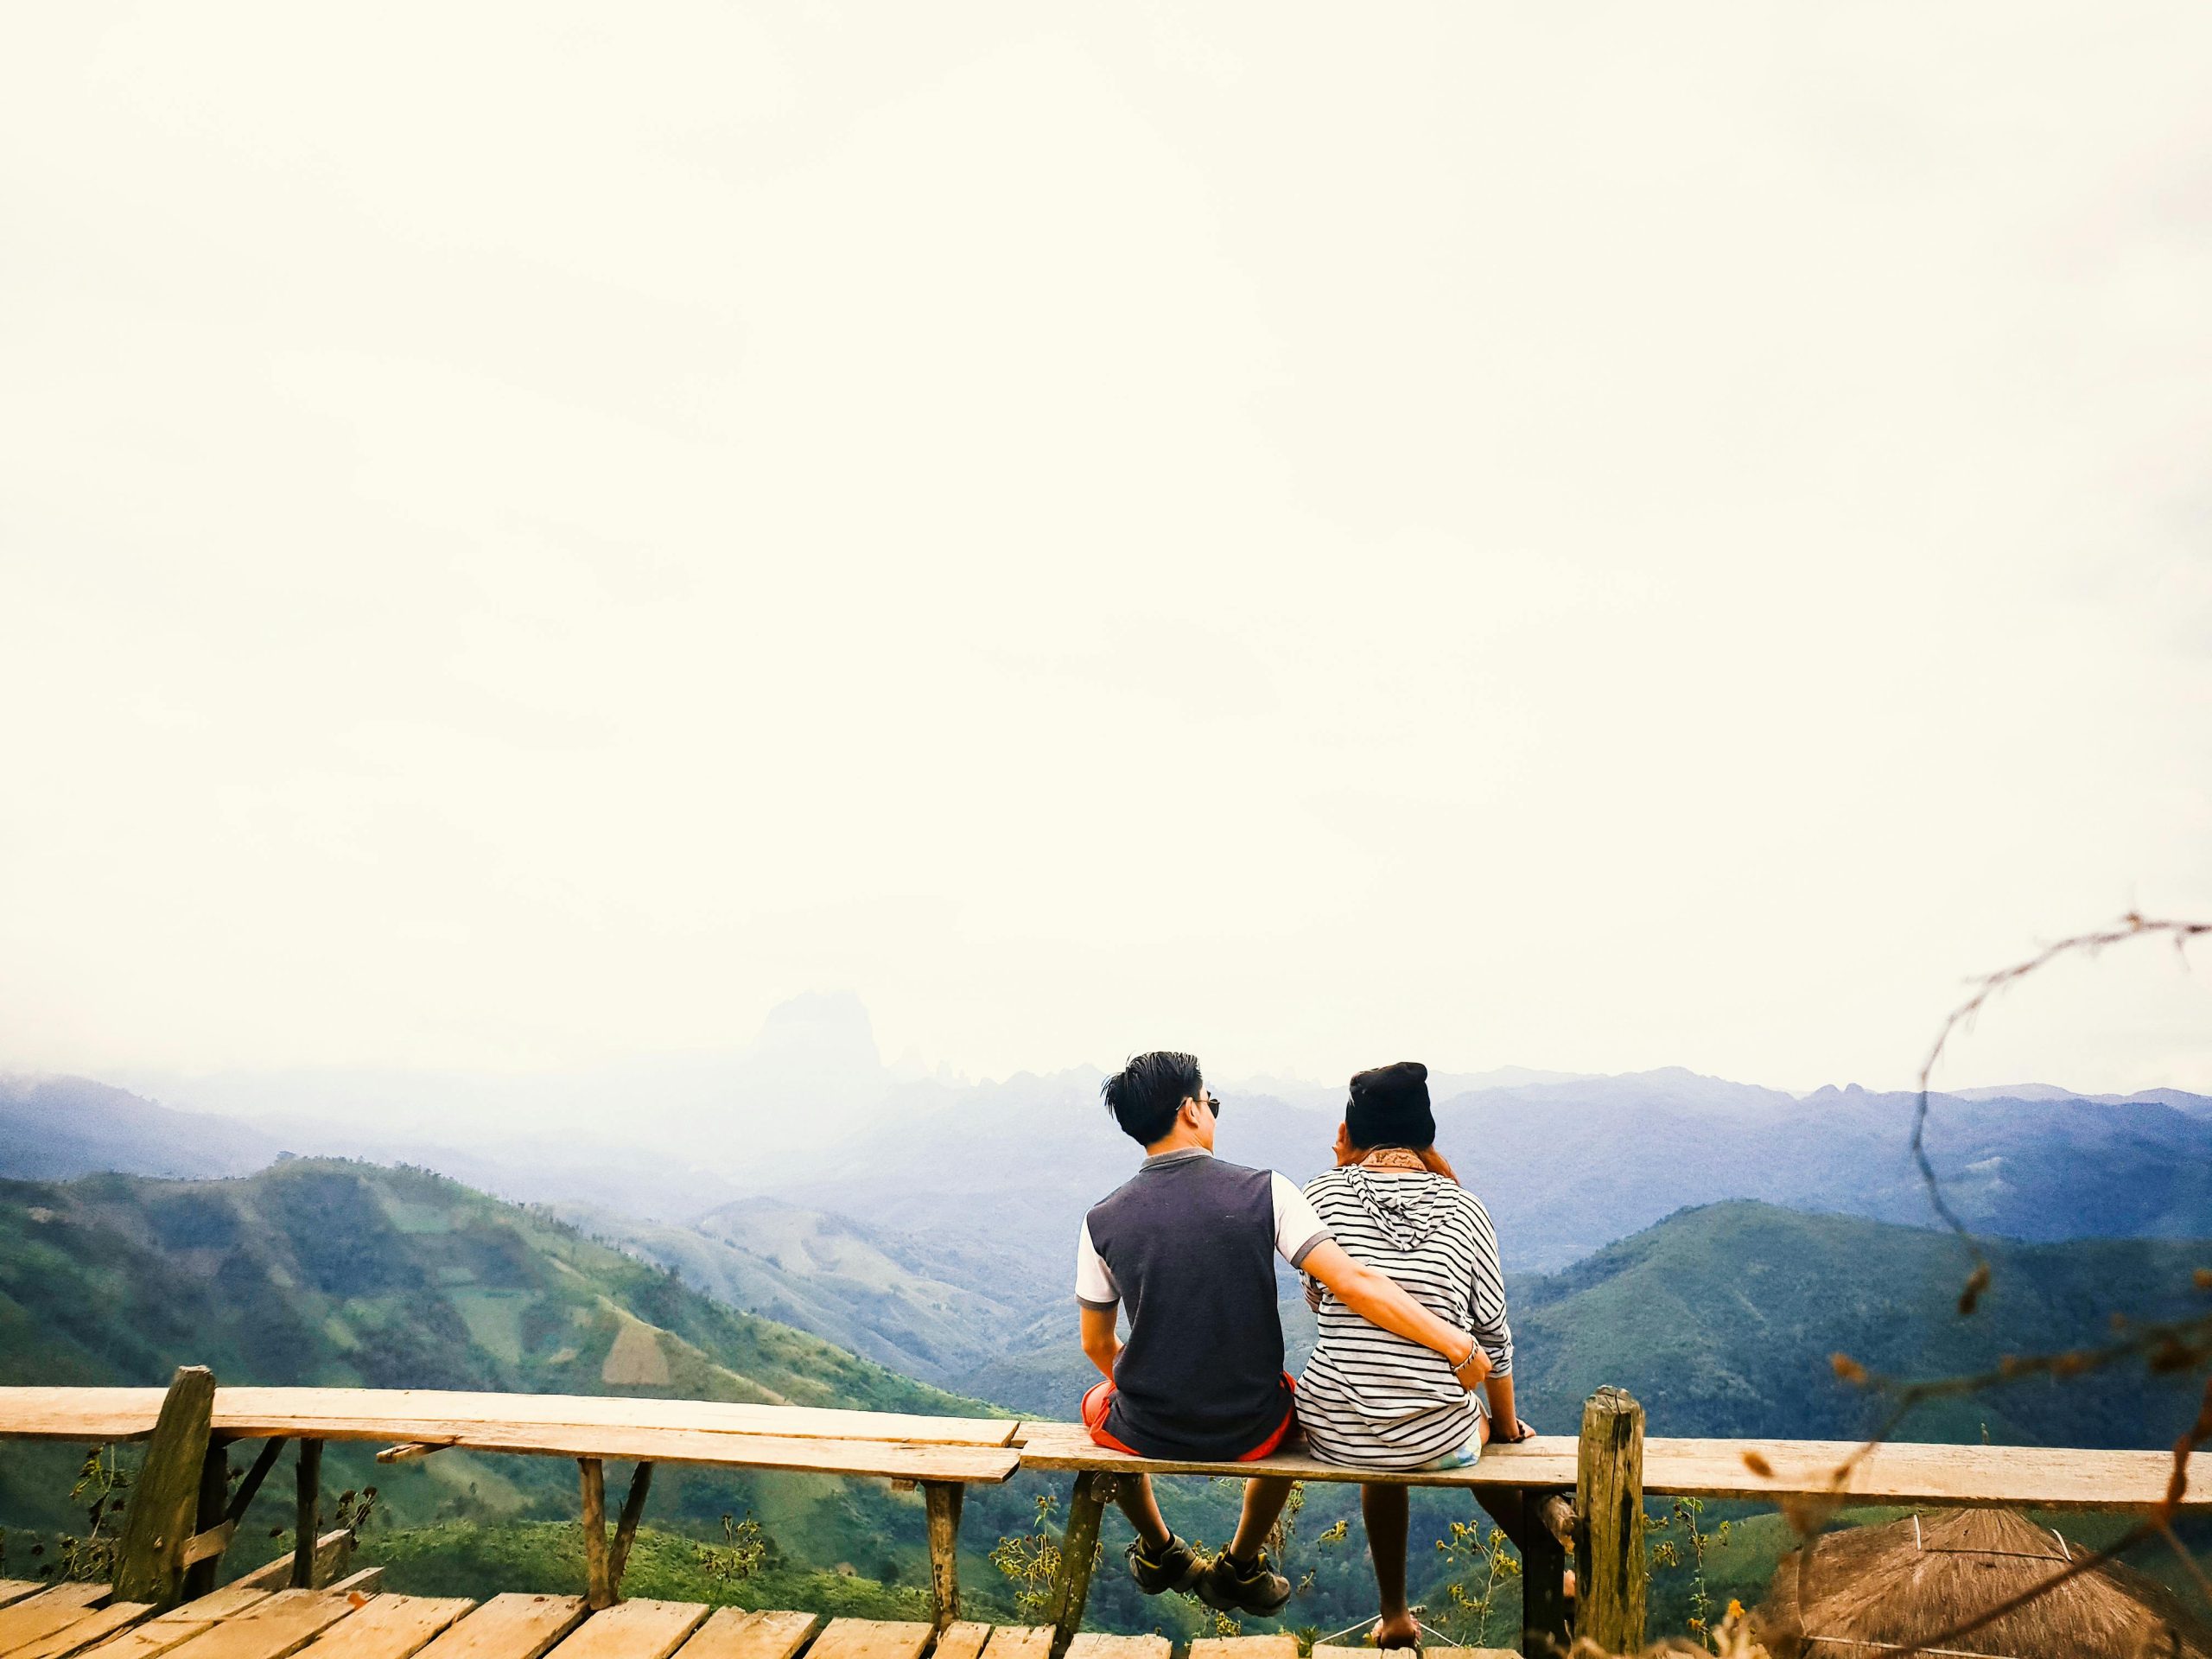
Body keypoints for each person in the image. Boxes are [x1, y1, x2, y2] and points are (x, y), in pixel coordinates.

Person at [1076, 1051, 1495, 1618]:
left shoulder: (1101, 1218)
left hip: (1148, 1428)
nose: (1212, 1114)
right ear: (1190, 1111)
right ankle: (1241, 1563)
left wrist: (1153, 1384)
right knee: (1291, 1399)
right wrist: (1453, 1342)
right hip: (1254, 1425)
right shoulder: (1266, 1191)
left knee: (1097, 1404)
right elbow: (1351, 1281)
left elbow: (1098, 1346)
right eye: (1210, 1102)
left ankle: (1158, 1549)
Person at [1296, 1061, 1531, 1649]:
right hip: (1436, 1439)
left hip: (1336, 1431)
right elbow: (1495, 1340)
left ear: (1351, 1132)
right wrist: (1503, 1425)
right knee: (1470, 1424)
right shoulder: (1466, 1209)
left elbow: (1318, 1295)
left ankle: (1395, 1614)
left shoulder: (1320, 1193)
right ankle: (1556, 1566)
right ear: (1425, 1135)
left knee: (1378, 1413)